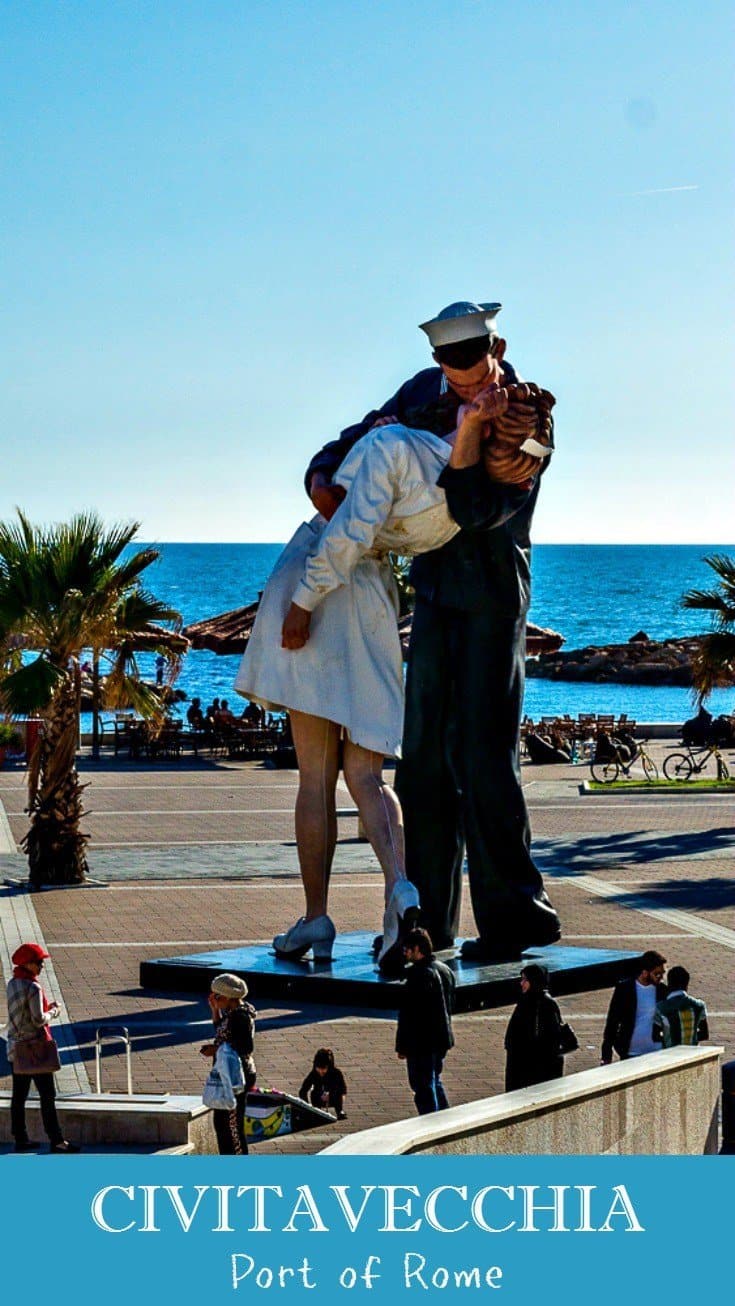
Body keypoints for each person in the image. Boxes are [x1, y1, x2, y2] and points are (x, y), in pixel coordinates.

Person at [236, 381, 546, 972]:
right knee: (372, 774)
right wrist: (323, 475)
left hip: (330, 577)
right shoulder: (439, 470)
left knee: (316, 777)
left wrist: (302, 601)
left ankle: (320, 916)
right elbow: (342, 459)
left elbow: (352, 524)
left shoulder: (418, 447)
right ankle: (403, 890)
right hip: (380, 594)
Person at [304, 301, 560, 962]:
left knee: (483, 755)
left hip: (493, 588)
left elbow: (478, 510)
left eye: (476, 369)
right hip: (435, 590)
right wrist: (325, 479)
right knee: (419, 762)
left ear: (496, 346)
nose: (466, 384)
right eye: (453, 372)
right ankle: (429, 922)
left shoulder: (529, 416)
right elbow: (349, 443)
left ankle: (515, 915)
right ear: (436, 363)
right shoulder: (424, 389)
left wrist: (472, 433)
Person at [6, 943, 79, 1153]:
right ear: (28, 964)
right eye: (39, 962)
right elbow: (38, 1019)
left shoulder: (13, 983)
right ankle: (56, 1140)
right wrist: (54, 1012)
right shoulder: (33, 987)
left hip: (16, 1050)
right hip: (36, 1050)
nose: (41, 966)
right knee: (47, 1095)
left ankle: (20, 1138)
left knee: (19, 1096)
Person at [396, 927, 455, 1114]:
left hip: (421, 1043)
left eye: (407, 948)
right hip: (440, 1039)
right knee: (434, 1081)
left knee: (423, 1087)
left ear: (417, 949)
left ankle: (432, 1126)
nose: (404, 952)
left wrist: (402, 1047)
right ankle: (445, 1120)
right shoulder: (445, 970)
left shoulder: (418, 975)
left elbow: (409, 1015)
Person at [199, 973, 256, 1155]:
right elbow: (222, 1032)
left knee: (232, 1128)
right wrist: (215, 1010)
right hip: (227, 1074)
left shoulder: (241, 1017)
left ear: (227, 997)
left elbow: (246, 1046)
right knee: (221, 1124)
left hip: (236, 1077)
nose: (213, 998)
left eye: (216, 996)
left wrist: (215, 1050)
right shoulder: (231, 1013)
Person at [504, 963, 565, 1091]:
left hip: (534, 1067)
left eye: (525, 980)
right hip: (522, 1064)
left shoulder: (546, 1004)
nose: (522, 983)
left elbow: (552, 1040)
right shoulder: (525, 1001)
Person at [601, 950, 667, 1064]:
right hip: (630, 1052)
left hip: (656, 1052)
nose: (661, 977)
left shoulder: (662, 991)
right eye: (657, 974)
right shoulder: (625, 989)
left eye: (662, 973)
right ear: (645, 972)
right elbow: (613, 1021)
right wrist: (606, 1055)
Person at [653, 966, 709, 1048]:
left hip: (670, 1054)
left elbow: (655, 1036)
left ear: (669, 984)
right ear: (687, 984)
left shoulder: (661, 1008)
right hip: (692, 1053)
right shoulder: (699, 1005)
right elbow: (704, 1035)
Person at [298, 1047, 348, 1119]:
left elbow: (343, 1090)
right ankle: (316, 1111)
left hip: (333, 1097)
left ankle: (340, 1111)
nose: (321, 1072)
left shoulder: (337, 1073)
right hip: (319, 1097)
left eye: (323, 1069)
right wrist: (306, 1106)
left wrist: (332, 1094)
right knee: (313, 1093)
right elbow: (303, 1090)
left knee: (338, 1094)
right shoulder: (313, 1074)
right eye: (319, 1068)